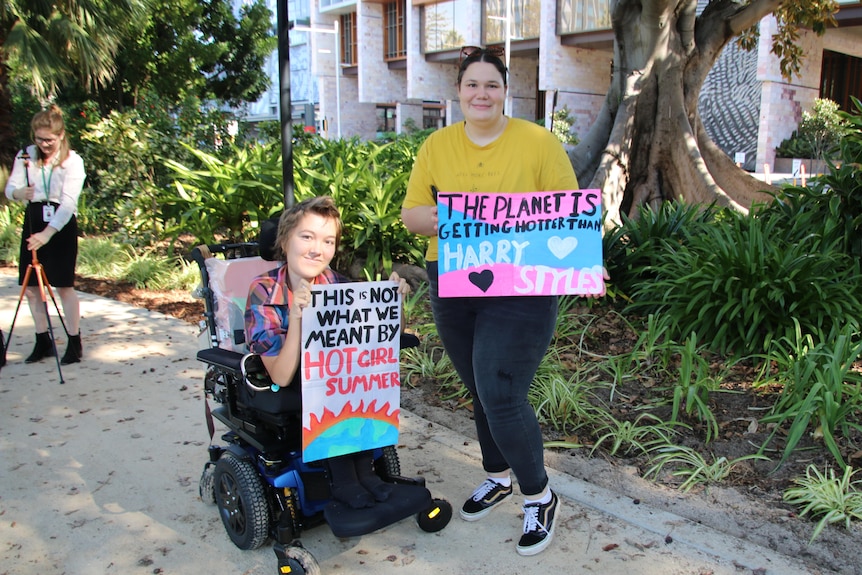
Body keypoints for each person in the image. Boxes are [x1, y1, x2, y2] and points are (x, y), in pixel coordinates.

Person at [401, 46, 605, 556]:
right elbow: (413, 214)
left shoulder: (537, 143)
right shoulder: (437, 146)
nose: (481, 94)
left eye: (491, 84)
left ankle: (539, 494)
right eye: (472, 84)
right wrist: (458, 219)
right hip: (452, 278)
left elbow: (566, 212)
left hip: (522, 285)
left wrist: (583, 260)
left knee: (501, 389)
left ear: (504, 91)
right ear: (459, 91)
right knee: (477, 385)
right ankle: (498, 476)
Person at [244, 195, 410, 509]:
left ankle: (365, 471)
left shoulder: (338, 284)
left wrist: (393, 303)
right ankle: (343, 477)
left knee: (360, 378)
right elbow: (280, 374)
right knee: (332, 386)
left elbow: (381, 341)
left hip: (339, 380)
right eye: (307, 236)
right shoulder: (264, 289)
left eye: (328, 241)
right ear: (285, 240)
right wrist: (296, 316)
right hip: (290, 380)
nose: (317, 249)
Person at [5, 105, 86, 365]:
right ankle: (43, 340)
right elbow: (10, 189)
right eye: (39, 139)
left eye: (49, 140)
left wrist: (48, 234)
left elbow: (68, 203)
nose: (44, 145)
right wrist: (20, 194)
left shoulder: (73, 161)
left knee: (63, 286)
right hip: (35, 218)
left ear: (61, 135)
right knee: (30, 288)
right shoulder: (26, 156)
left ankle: (74, 341)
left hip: (60, 225)